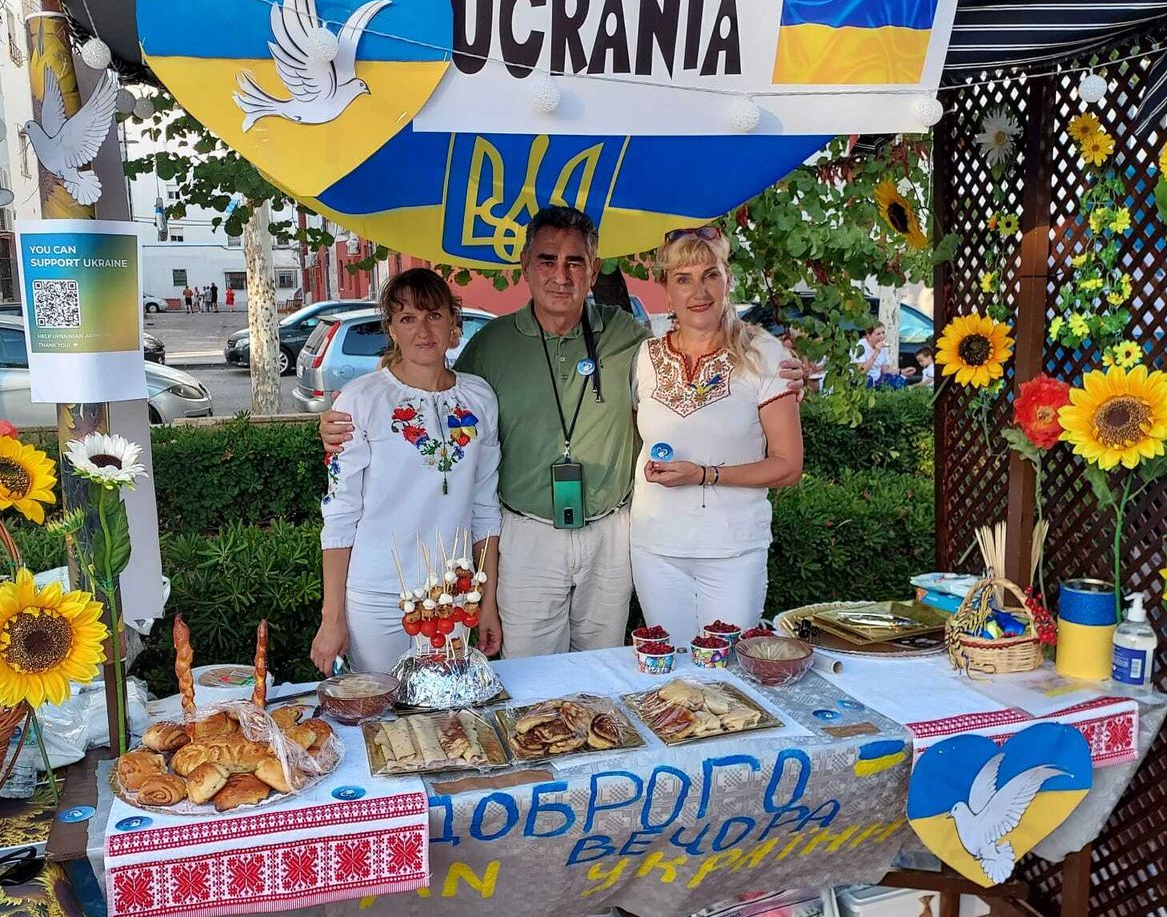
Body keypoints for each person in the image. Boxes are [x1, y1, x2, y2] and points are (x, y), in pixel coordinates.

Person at [320, 207, 806, 657]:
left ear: (593, 272)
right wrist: (346, 419)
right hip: (527, 537)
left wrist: (783, 374)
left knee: (601, 677)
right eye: (548, 260)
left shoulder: (629, 338)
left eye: (576, 262)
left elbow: (705, 366)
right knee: (532, 679)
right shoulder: (489, 347)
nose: (561, 274)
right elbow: (433, 389)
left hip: (612, 534)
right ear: (526, 267)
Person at [312, 268, 502, 674]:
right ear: (391, 329)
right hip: (378, 595)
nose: (423, 330)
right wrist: (332, 618)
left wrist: (487, 603)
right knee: (381, 718)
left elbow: (485, 509)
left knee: (445, 720)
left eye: (434, 315)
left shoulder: (479, 397)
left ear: (454, 322)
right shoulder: (360, 400)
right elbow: (340, 514)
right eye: (408, 318)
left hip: (452, 595)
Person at [631, 230, 804, 640]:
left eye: (710, 275)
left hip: (733, 550)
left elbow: (787, 466)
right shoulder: (645, 357)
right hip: (656, 547)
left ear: (728, 279)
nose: (699, 291)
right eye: (683, 278)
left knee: (727, 675)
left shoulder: (765, 355)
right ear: (666, 290)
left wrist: (705, 474)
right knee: (668, 669)